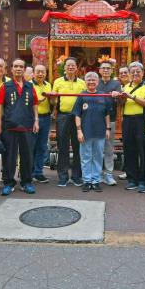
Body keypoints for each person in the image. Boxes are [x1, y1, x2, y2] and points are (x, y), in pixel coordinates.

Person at [0, 59, 39, 195]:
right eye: (16, 66)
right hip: (9, 126)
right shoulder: (5, 86)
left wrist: (36, 120)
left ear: (25, 69)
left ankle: (26, 182)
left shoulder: (30, 87)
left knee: (27, 156)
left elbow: (35, 104)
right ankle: (9, 182)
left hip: (27, 125)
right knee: (9, 156)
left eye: (21, 66)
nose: (18, 69)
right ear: (11, 69)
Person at [119, 62, 145, 193]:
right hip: (127, 120)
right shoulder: (125, 87)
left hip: (141, 120)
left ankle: (143, 181)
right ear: (129, 74)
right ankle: (132, 179)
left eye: (137, 71)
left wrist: (132, 97)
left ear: (142, 73)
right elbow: (122, 104)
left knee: (143, 150)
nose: (135, 74)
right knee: (129, 150)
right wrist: (119, 97)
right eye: (132, 71)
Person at [74, 72, 111, 192]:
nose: (91, 81)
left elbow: (107, 114)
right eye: (88, 79)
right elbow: (77, 115)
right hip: (86, 132)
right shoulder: (82, 95)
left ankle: (95, 181)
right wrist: (79, 131)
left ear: (98, 82)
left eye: (93, 79)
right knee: (85, 157)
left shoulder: (103, 95)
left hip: (100, 131)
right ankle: (87, 181)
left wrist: (108, 128)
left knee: (98, 156)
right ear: (85, 81)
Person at [53, 57, 86, 186]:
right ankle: (63, 176)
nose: (71, 67)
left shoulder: (82, 83)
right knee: (63, 147)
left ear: (76, 68)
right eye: (68, 65)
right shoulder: (58, 81)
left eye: (73, 65)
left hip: (78, 117)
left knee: (79, 147)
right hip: (63, 117)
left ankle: (77, 176)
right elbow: (54, 100)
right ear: (64, 68)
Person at [97, 61, 121, 186]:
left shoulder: (116, 84)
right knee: (96, 148)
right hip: (95, 120)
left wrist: (117, 95)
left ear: (112, 71)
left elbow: (119, 100)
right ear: (99, 70)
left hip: (110, 120)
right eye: (103, 68)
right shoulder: (95, 82)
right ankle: (98, 173)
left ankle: (108, 174)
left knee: (108, 148)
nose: (106, 70)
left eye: (108, 68)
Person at [31, 64, 52, 183]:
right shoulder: (28, 85)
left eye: (42, 72)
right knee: (31, 146)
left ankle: (38, 172)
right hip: (32, 119)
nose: (40, 74)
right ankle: (29, 172)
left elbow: (52, 101)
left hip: (46, 117)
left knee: (42, 146)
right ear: (33, 73)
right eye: (38, 72)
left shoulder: (48, 85)